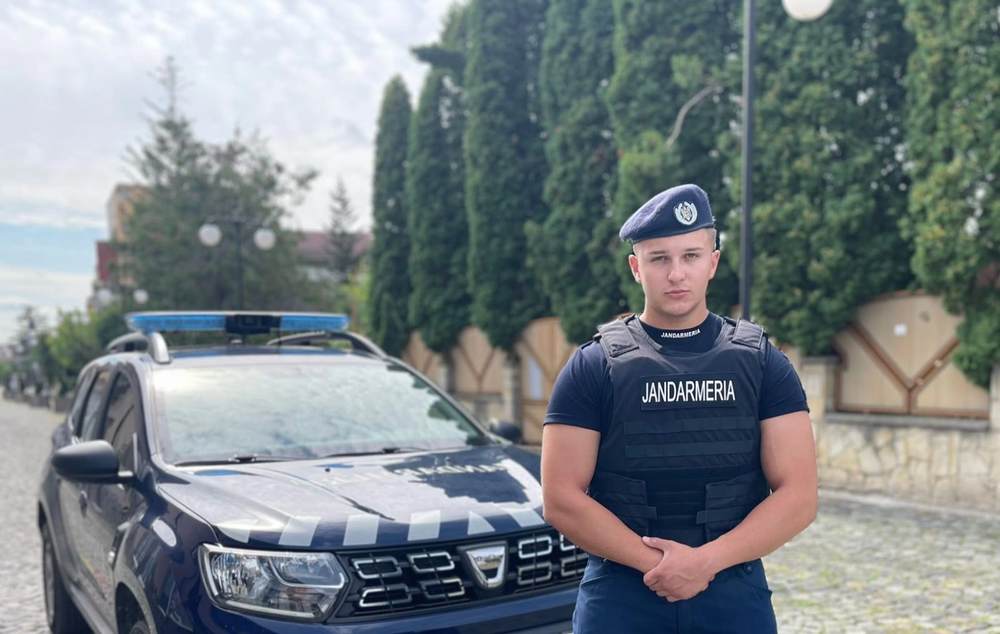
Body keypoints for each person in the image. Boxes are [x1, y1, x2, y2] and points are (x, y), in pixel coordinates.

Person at [541, 183, 817, 633]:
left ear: (713, 262)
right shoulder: (592, 366)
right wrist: (661, 566)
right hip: (622, 594)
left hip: (732, 589)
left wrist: (705, 563)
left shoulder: (763, 363)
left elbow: (799, 495)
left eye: (690, 256)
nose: (676, 274)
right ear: (636, 267)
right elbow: (561, 498)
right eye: (659, 259)